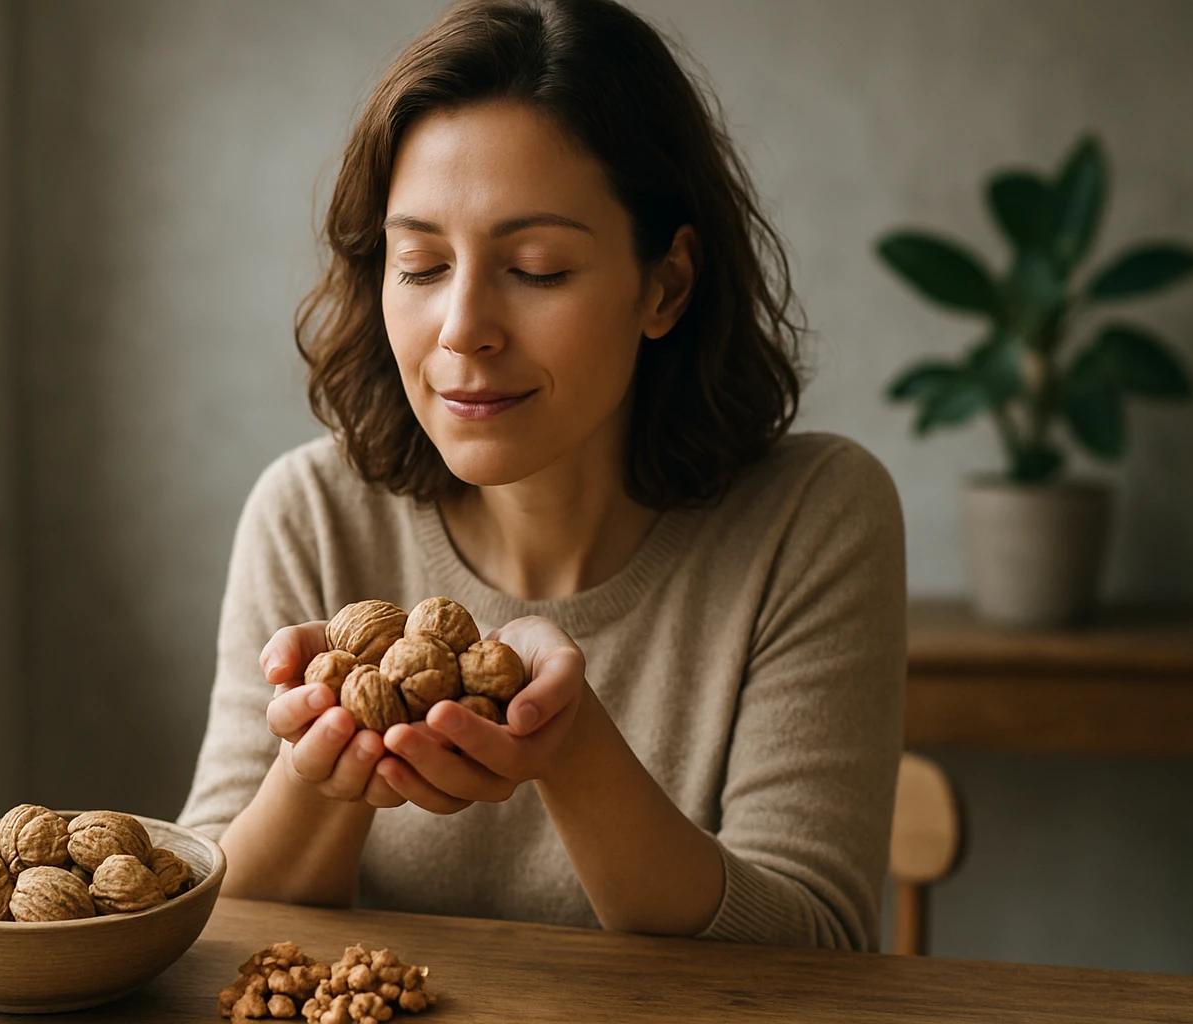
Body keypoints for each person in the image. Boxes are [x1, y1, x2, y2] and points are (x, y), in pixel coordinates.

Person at [179, 0, 905, 951]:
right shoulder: (311, 514)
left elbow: (817, 953)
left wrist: (571, 748)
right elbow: (206, 936)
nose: (463, 327)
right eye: (421, 263)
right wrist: (323, 766)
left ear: (665, 286)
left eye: (537, 267)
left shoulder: (813, 516)